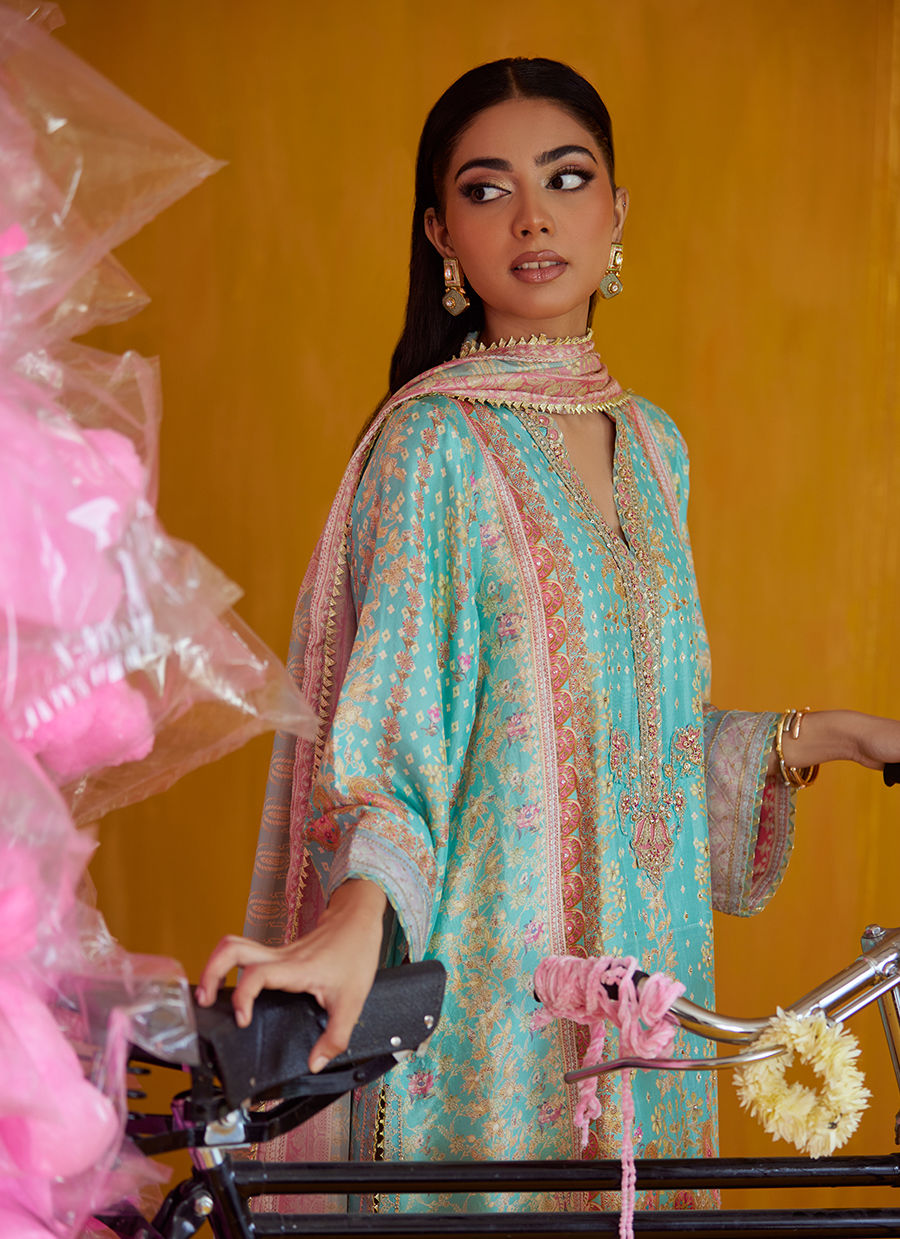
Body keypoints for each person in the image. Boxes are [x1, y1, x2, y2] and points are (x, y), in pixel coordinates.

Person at [197, 57, 900, 1214]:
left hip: (644, 1008)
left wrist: (836, 734)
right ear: (440, 234)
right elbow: (399, 743)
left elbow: (625, 745)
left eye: (566, 179)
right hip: (493, 1024)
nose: (532, 217)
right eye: (487, 190)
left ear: (617, 211)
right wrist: (351, 922)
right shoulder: (435, 447)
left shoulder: (657, 448)